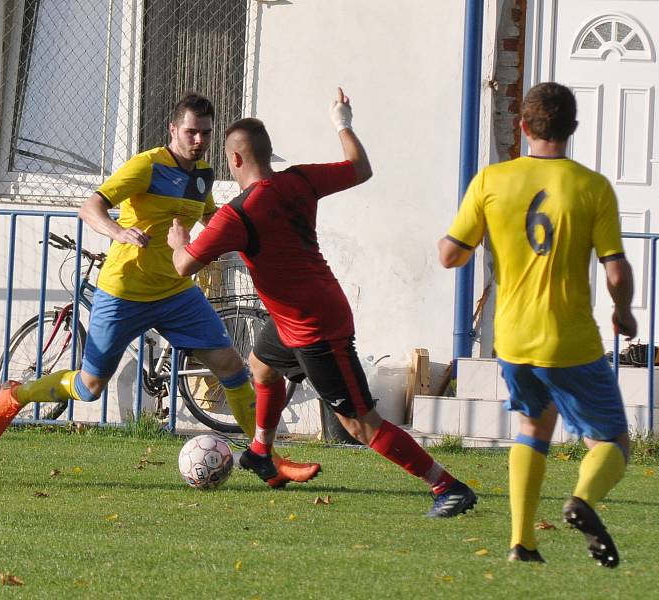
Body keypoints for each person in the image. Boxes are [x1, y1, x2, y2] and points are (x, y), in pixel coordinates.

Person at [0, 92, 320, 489]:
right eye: (191, 132)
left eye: (206, 134)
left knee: (230, 363)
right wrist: (117, 230)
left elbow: (210, 215)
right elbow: (89, 207)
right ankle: (17, 395)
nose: (198, 141)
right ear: (173, 129)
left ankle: (268, 460)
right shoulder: (146, 165)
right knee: (90, 388)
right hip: (123, 292)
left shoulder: (203, 174)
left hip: (177, 292)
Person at [167, 88, 478, 518]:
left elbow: (183, 266)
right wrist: (342, 122)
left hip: (316, 327)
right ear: (268, 153)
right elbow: (360, 168)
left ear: (234, 160)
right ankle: (261, 452)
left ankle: (448, 486)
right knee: (260, 365)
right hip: (292, 316)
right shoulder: (299, 179)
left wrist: (178, 238)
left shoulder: (237, 215)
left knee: (360, 424)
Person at [439, 82, 636, 565]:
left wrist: (475, 242)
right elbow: (616, 268)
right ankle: (583, 500)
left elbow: (450, 255)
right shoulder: (591, 187)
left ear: (523, 127)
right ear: (572, 129)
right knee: (613, 441)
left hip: (513, 338)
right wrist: (623, 310)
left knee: (533, 425)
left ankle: (522, 543)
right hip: (569, 340)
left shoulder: (491, 180)